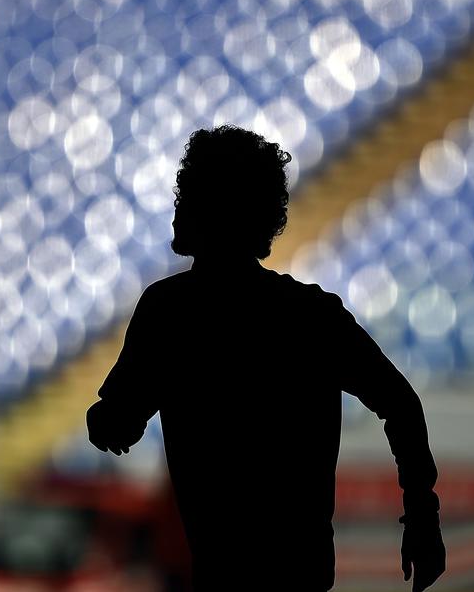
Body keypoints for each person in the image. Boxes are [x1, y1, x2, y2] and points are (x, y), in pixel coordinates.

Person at [86, 126, 446, 591]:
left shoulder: (168, 312)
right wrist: (422, 515)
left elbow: (117, 423)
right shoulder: (312, 315)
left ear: (211, 209)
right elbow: (400, 402)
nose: (176, 207)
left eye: (188, 193)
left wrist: (107, 418)